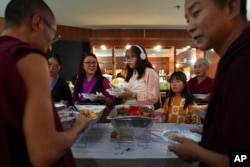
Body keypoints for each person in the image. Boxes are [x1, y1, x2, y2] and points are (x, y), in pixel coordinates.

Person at [0, 0, 91, 166]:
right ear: (37, 22)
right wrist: (79, 126)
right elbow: (44, 154)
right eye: (53, 34)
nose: (50, 47)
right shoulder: (29, 57)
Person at [168, 0, 250, 167]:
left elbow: (242, 159)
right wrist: (212, 131)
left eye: (196, 13)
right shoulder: (231, 60)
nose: (189, 27)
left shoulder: (244, 63)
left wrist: (199, 153)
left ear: (231, 7)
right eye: (187, 19)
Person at [72, 52, 115, 122]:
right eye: (88, 62)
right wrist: (76, 104)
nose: (92, 65)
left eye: (94, 62)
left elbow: (112, 101)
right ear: (82, 65)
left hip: (99, 118)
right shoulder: (78, 81)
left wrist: (104, 99)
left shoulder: (104, 81)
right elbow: (74, 98)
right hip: (82, 118)